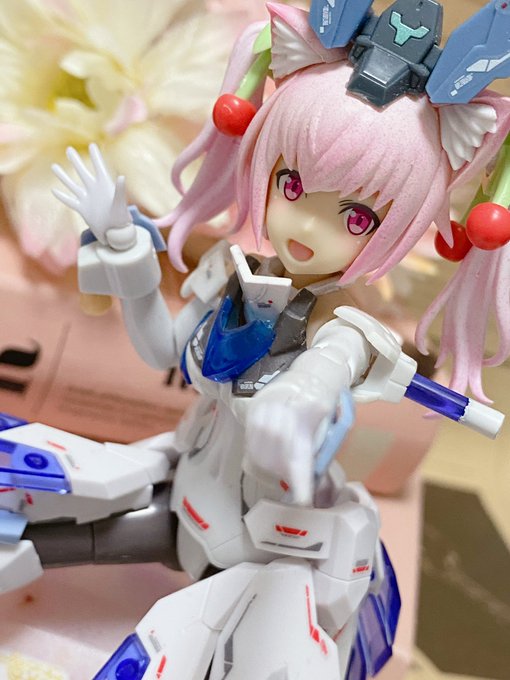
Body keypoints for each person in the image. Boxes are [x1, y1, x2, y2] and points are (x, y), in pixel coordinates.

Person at [2, 3, 509, 679]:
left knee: (175, 645)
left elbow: (327, 371)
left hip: (256, 544)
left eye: (356, 216)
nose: (305, 225)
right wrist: (127, 253)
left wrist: (296, 403)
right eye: (291, 184)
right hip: (181, 484)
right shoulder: (228, 272)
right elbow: (163, 351)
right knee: (36, 493)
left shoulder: (344, 327)